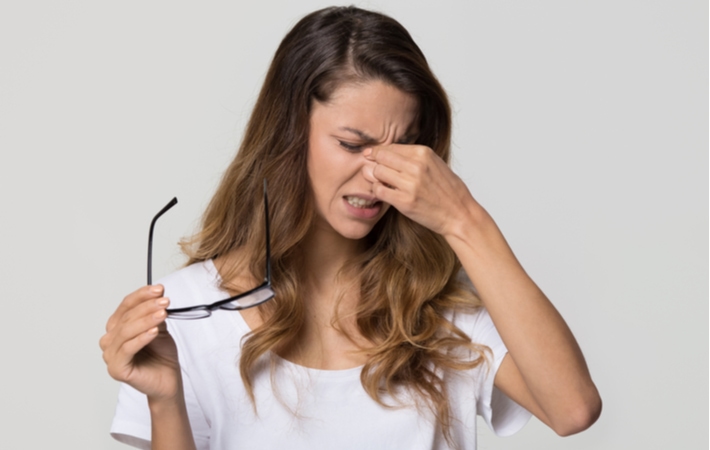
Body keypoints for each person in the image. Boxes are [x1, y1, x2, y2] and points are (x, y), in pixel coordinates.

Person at [100, 6, 601, 450]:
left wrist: (462, 217)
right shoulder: (187, 312)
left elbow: (572, 410)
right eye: (353, 144)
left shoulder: (440, 305)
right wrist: (164, 401)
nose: (378, 174)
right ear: (289, 135)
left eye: (403, 148)